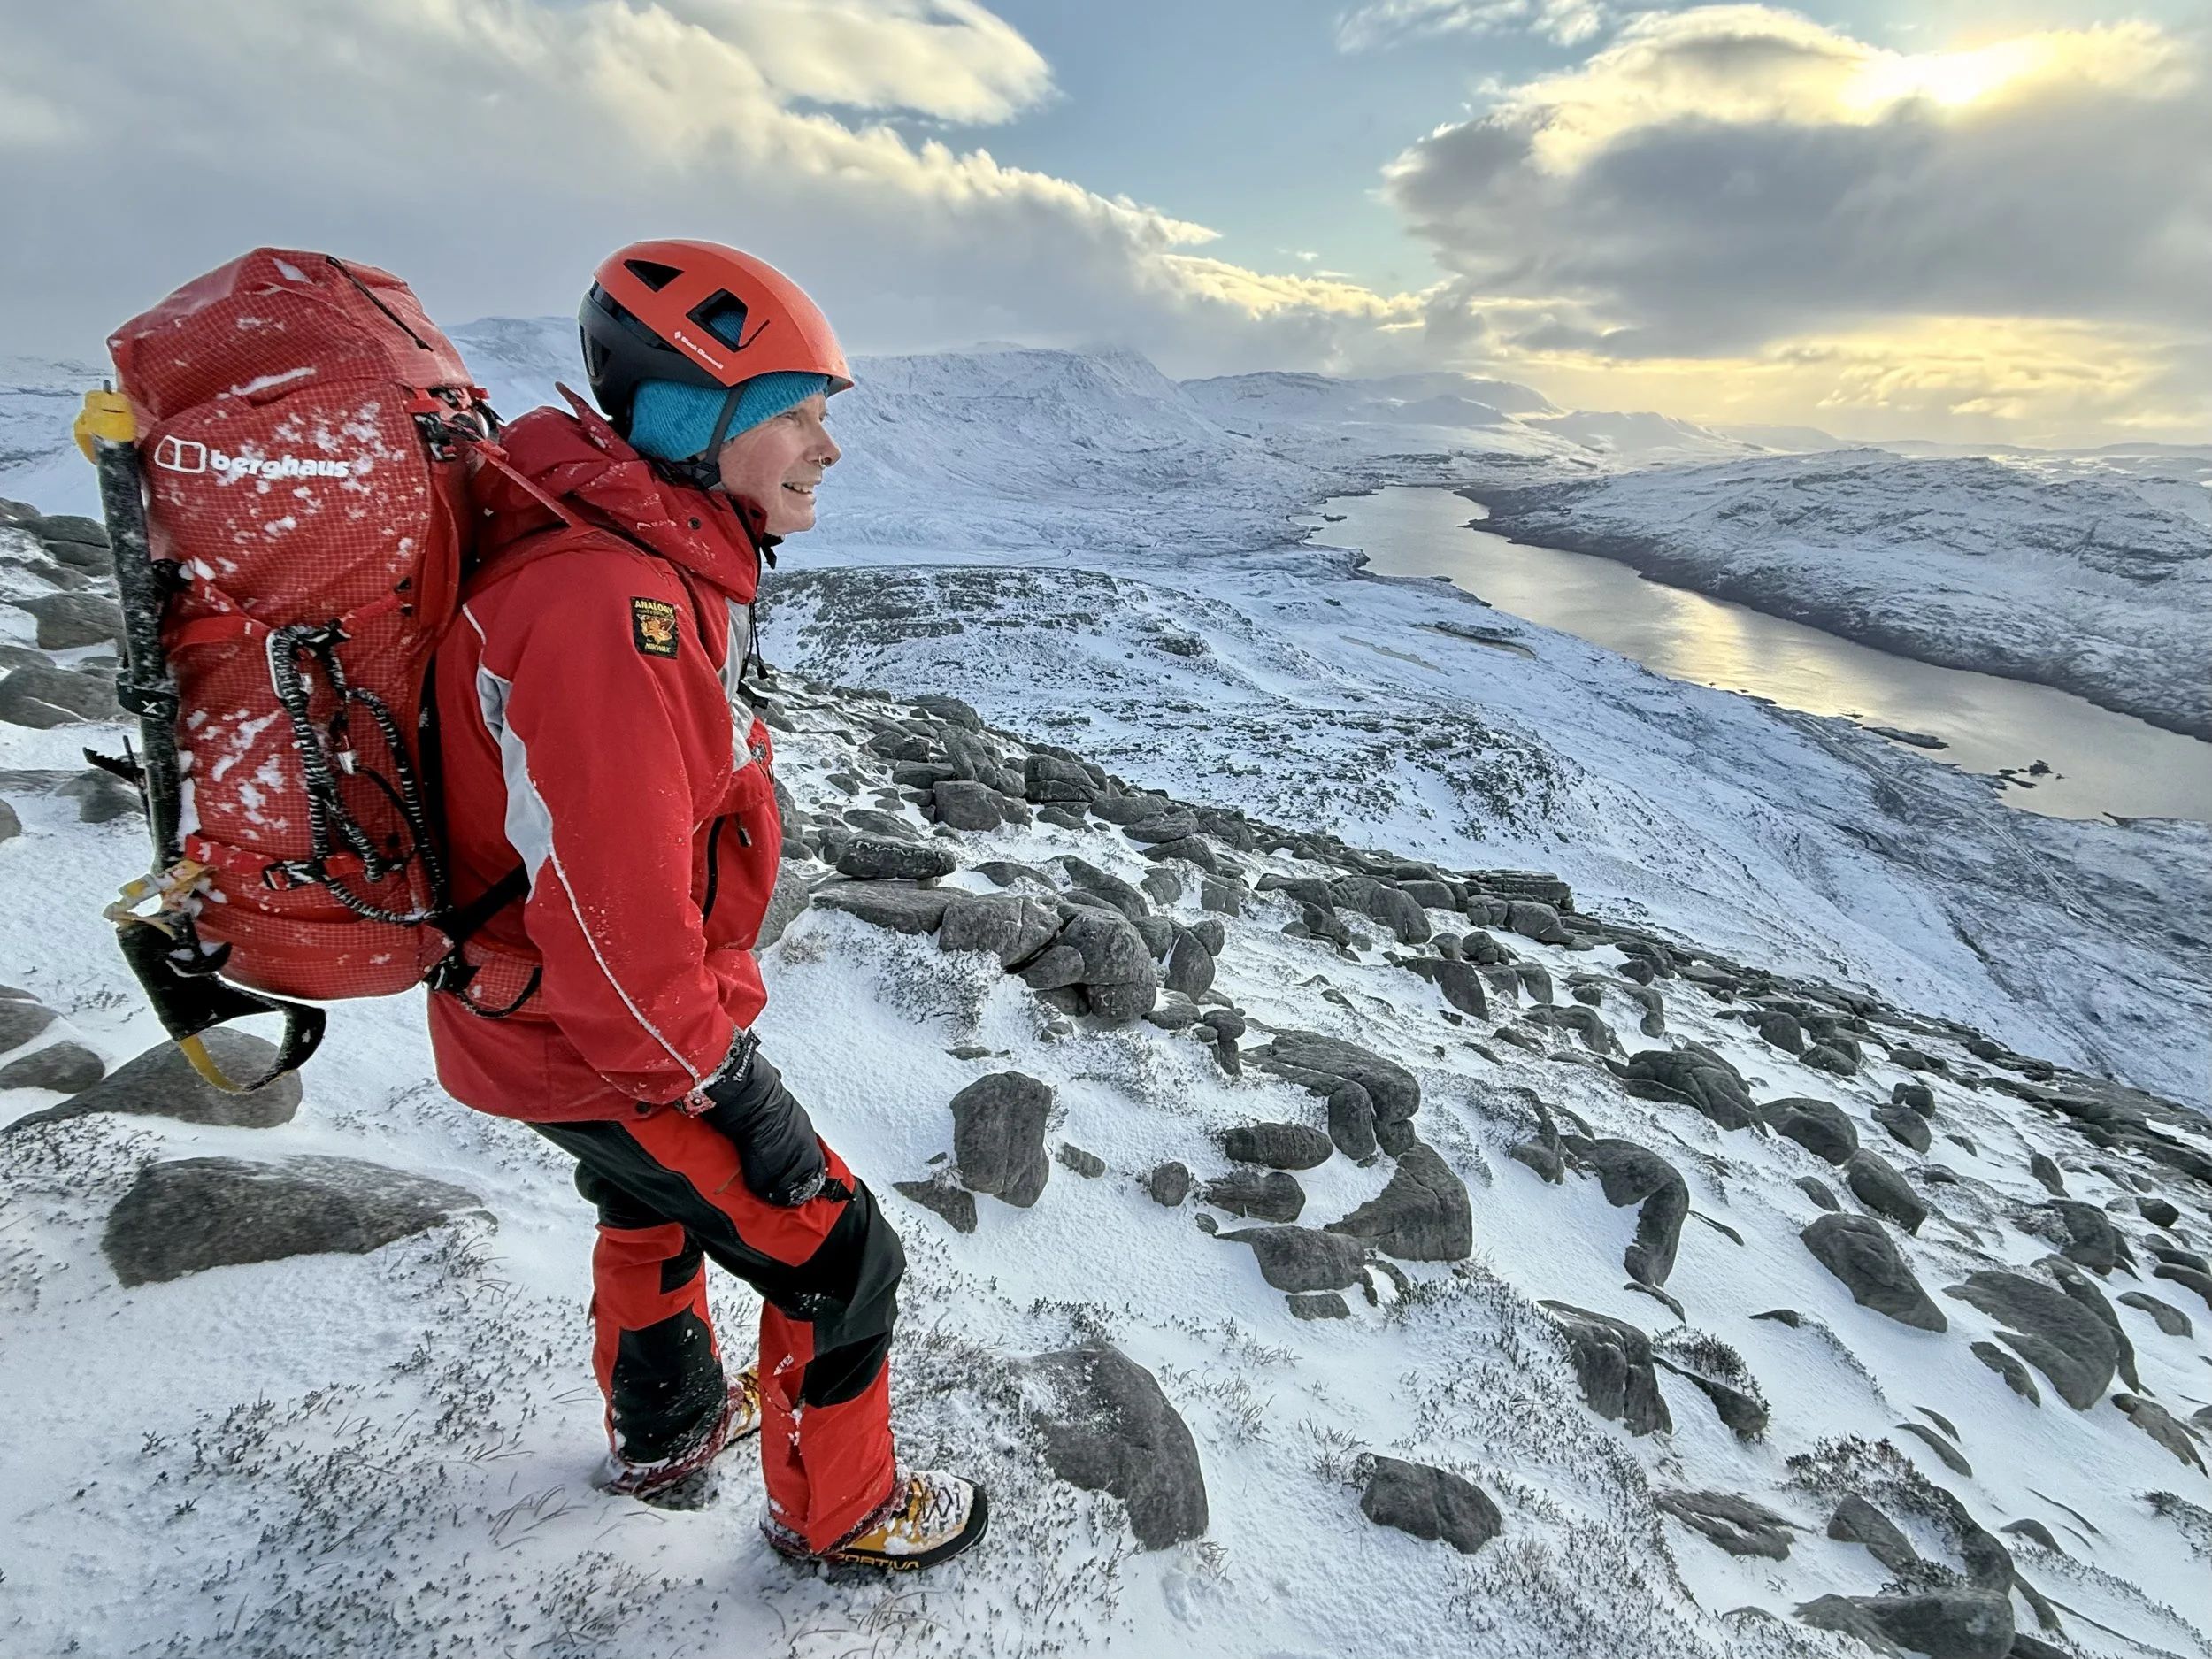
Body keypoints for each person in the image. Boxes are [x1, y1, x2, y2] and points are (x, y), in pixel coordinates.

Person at [425, 238, 987, 1571]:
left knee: (653, 1203)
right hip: (597, 1036)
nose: (825, 447)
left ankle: (669, 1423)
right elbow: (617, 937)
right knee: (841, 1259)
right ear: (691, 416)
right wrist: (730, 1088)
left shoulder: (642, 562)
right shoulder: (610, 608)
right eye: (794, 411)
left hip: (559, 1022)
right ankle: (839, 1516)